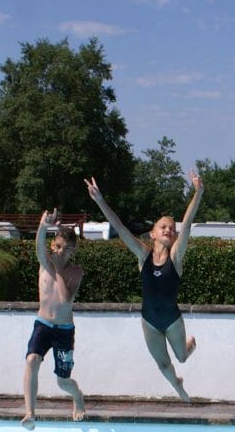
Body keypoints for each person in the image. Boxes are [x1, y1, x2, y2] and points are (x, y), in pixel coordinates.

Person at [85, 172, 204, 401]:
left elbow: (187, 225)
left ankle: (188, 347)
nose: (168, 230)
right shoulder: (143, 254)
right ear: (153, 233)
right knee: (163, 364)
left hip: (172, 320)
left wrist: (198, 193)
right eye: (163, 227)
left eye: (171, 228)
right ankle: (177, 385)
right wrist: (100, 200)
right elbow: (120, 228)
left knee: (180, 357)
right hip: (149, 321)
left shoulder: (175, 258)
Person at [21, 209, 86, 429]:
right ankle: (30, 413)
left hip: (64, 330)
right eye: (58, 247)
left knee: (63, 381)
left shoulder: (75, 272)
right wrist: (42, 225)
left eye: (67, 249)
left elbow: (66, 299)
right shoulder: (45, 263)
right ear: (53, 246)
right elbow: (38, 245)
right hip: (43, 325)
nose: (61, 251)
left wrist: (59, 269)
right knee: (32, 360)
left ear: (73, 250)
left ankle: (77, 397)